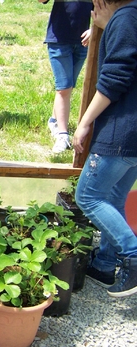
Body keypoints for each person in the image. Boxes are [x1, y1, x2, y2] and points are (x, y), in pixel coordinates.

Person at [73, 0, 137, 297]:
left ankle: (133, 255)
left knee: (88, 196)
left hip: (120, 131)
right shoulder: (127, 17)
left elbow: (116, 77)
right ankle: (105, 263)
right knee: (114, 197)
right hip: (133, 136)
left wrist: (85, 122)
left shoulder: (126, 18)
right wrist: (107, 24)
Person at [38, 0, 93, 153]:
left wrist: (94, 29)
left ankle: (54, 121)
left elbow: (104, 9)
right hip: (59, 40)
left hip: (83, 41)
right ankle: (63, 135)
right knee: (64, 88)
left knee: (68, 86)